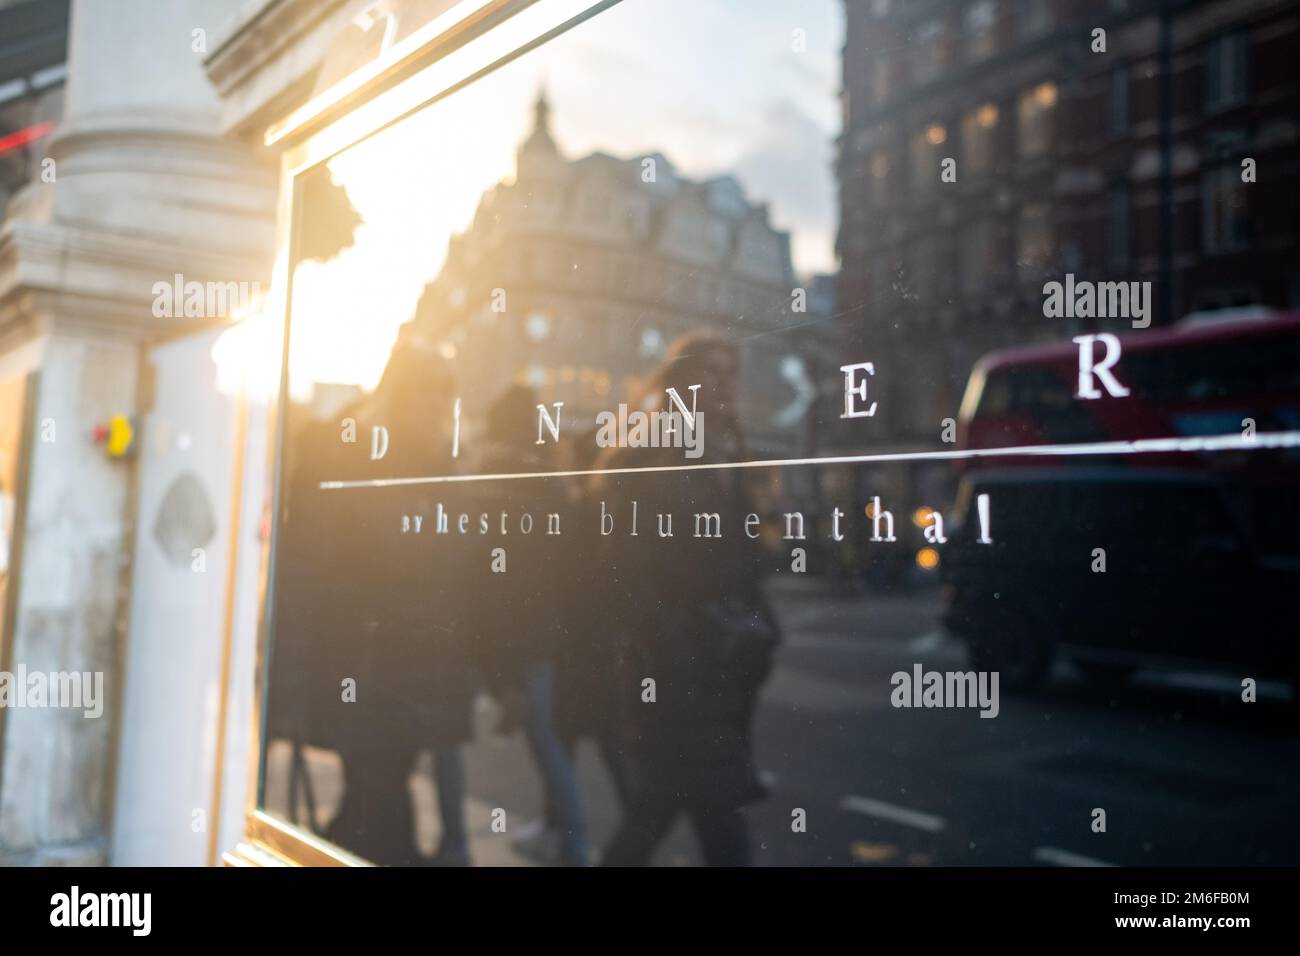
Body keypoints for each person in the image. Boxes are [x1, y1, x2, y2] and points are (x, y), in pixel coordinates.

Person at [595, 333, 780, 866]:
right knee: (706, 818)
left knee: (664, 809)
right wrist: (675, 648)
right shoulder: (649, 462)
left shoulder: (729, 457)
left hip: (721, 670)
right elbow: (625, 573)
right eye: (712, 373)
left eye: (732, 373)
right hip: (677, 675)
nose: (726, 385)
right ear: (682, 385)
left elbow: (739, 562)